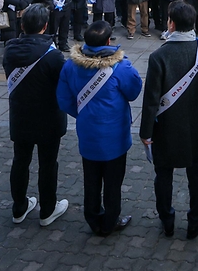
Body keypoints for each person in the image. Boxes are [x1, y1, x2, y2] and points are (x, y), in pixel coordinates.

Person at [57, 19, 141, 234]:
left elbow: (64, 100)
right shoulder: (120, 66)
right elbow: (133, 91)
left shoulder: (70, 65)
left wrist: (84, 115)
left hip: (88, 134)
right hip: (115, 136)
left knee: (91, 179)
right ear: (108, 41)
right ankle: (111, 221)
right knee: (113, 183)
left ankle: (93, 219)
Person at [140, 1, 198, 239]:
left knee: (163, 175)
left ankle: (167, 221)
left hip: (165, 126)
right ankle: (195, 221)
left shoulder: (158, 56)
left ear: (171, 24)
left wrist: (145, 132)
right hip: (193, 123)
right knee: (196, 173)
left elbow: (151, 100)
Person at [4, 4, 69, 227]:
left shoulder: (10, 50)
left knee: (20, 161)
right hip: (48, 118)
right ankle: (47, 210)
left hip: (20, 115)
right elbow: (64, 84)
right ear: (45, 26)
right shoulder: (53, 56)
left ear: (22, 25)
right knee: (48, 164)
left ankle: (19, 207)